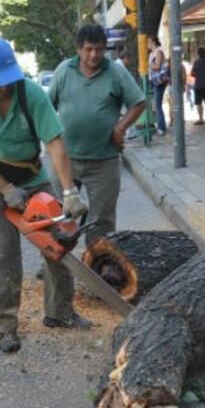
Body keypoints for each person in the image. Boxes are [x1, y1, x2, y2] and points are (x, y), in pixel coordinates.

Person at [0, 37, 91, 354]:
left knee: (59, 241)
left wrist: (68, 192)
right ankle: (5, 326)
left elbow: (54, 142)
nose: (5, 88)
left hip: (32, 176)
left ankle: (60, 313)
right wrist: (5, 190)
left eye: (9, 79)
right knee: (1, 255)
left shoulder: (30, 94)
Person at [49, 25, 146, 244]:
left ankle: (98, 269)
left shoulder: (116, 72)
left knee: (101, 221)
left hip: (104, 162)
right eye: (89, 49)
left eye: (99, 50)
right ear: (79, 49)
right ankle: (57, 265)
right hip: (66, 161)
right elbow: (47, 108)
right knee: (60, 217)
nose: (94, 55)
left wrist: (120, 128)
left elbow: (139, 102)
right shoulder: (64, 70)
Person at [148, 35, 168, 134]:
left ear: (154, 42)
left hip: (159, 80)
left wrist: (149, 65)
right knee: (155, 103)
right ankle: (159, 124)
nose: (148, 44)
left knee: (157, 103)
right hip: (154, 80)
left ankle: (161, 127)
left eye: (149, 42)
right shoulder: (152, 53)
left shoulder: (158, 52)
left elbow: (157, 66)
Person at [190, 47, 205, 125]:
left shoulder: (196, 62)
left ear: (198, 54)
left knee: (199, 103)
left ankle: (201, 119)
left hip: (198, 85)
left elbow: (192, 73)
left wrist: (198, 74)